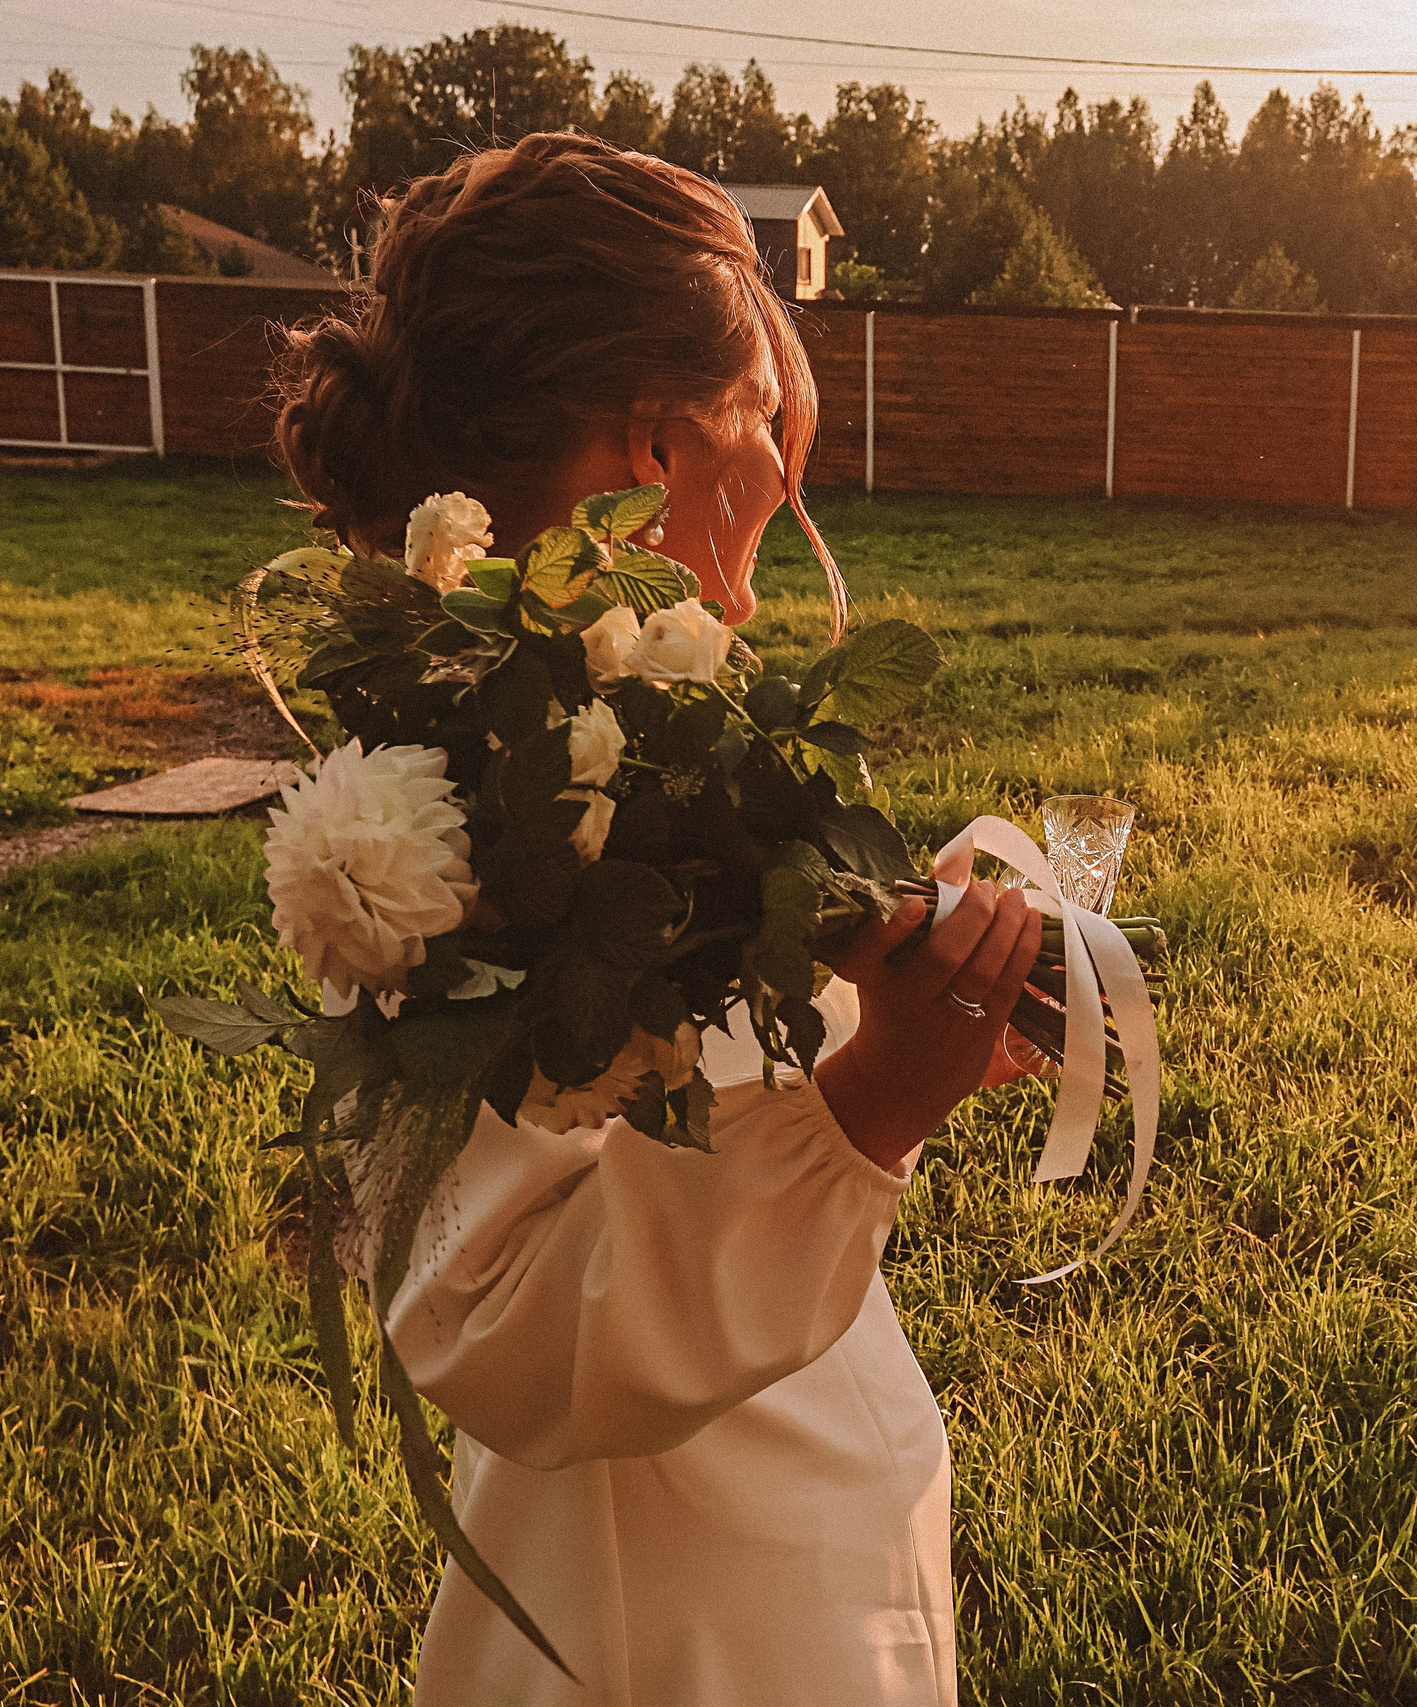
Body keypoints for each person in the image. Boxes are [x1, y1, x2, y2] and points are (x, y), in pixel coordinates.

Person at [272, 132, 1042, 1704]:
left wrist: (892, 995)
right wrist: (872, 1104)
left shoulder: (626, 745)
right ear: (659, 453)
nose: (778, 510)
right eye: (768, 441)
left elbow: (683, 1087)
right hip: (676, 1619)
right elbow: (497, 1317)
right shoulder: (454, 832)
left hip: (783, 1513)